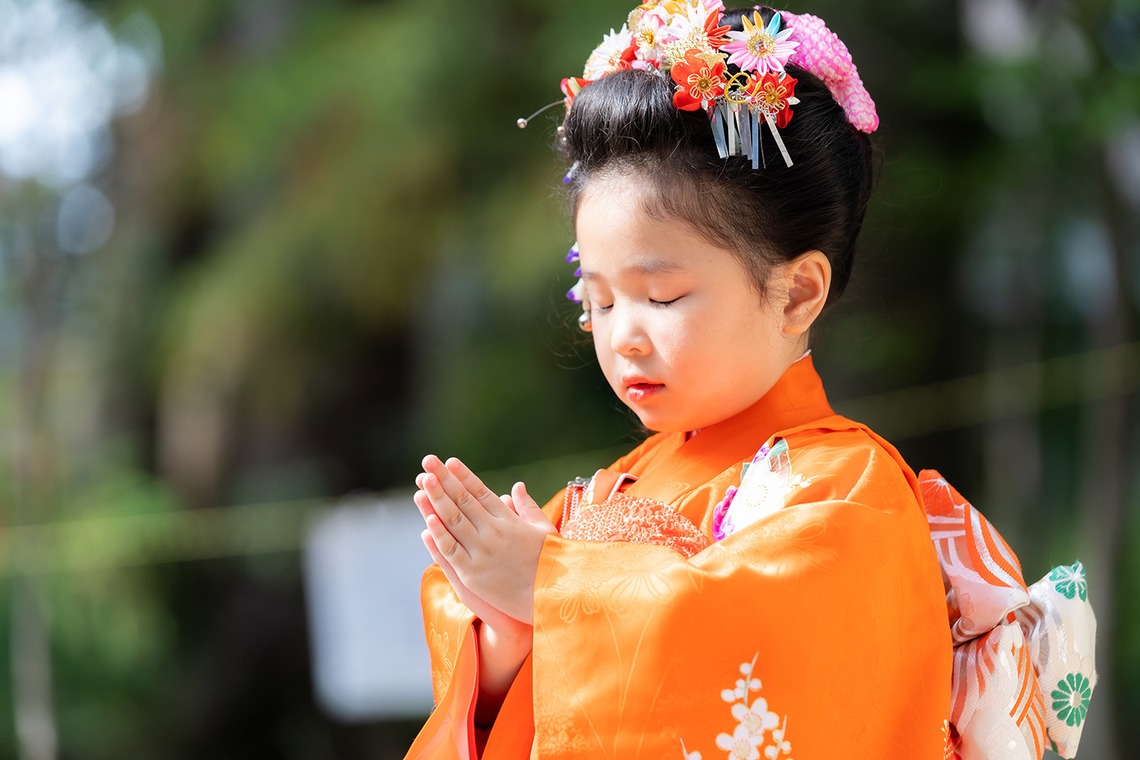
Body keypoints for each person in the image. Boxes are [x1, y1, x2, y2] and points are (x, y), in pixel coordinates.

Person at [404, 3, 1094, 759]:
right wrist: (505, 643)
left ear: (798, 293)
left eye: (660, 296)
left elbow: (763, 657)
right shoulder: (601, 496)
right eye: (598, 300)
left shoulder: (848, 492)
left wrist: (549, 582)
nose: (622, 333)